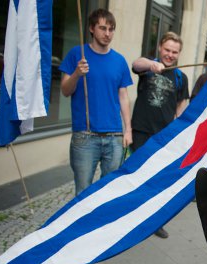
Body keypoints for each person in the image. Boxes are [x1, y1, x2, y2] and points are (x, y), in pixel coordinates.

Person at [60, 8, 133, 196]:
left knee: (108, 191)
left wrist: (128, 129)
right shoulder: (77, 54)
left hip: (115, 136)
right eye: (102, 28)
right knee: (83, 192)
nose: (107, 34)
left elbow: (123, 96)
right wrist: (77, 74)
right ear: (92, 28)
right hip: (85, 136)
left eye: (111, 29)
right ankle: (80, 225)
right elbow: (65, 91)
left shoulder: (119, 61)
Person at [131, 32, 189, 239]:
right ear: (160, 48)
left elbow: (181, 107)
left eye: (174, 52)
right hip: (141, 131)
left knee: (157, 179)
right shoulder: (148, 67)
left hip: (164, 136)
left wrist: (178, 133)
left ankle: (154, 221)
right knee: (137, 175)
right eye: (167, 50)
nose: (170, 55)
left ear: (179, 53)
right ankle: (132, 218)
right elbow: (136, 64)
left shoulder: (182, 77)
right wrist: (150, 65)